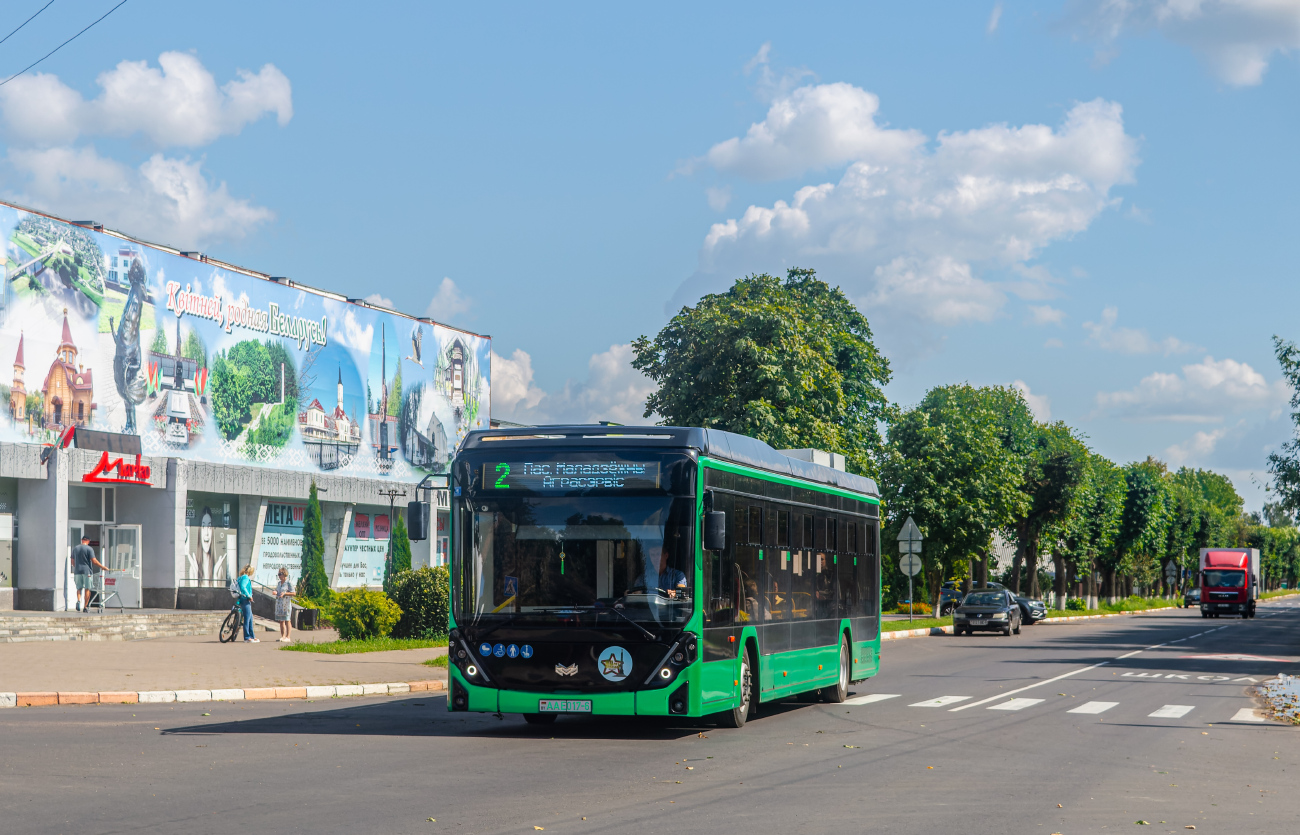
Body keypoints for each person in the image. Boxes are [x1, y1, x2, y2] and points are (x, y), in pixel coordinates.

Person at [72, 534, 108, 613]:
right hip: (87, 571)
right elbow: (94, 561)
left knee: (79, 588)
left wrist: (77, 567)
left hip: (77, 571)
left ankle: (78, 600)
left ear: (82, 540)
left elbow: (72, 561)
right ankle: (85, 606)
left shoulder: (75, 548)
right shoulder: (89, 549)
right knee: (87, 589)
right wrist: (102, 567)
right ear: (88, 541)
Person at [237, 564, 258, 643]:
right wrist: (249, 595)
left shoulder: (240, 577)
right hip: (245, 599)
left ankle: (252, 636)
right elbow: (243, 587)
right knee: (247, 618)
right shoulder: (245, 577)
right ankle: (247, 637)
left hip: (242, 598)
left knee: (250, 618)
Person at [274, 567, 295, 642]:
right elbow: (277, 590)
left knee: (287, 620)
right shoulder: (279, 583)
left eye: (280, 574)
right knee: (281, 620)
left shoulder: (288, 583)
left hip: (286, 604)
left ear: (284, 574)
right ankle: (282, 636)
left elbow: (294, 593)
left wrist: (285, 593)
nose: (279, 576)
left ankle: (288, 637)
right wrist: (276, 592)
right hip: (279, 603)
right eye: (278, 574)